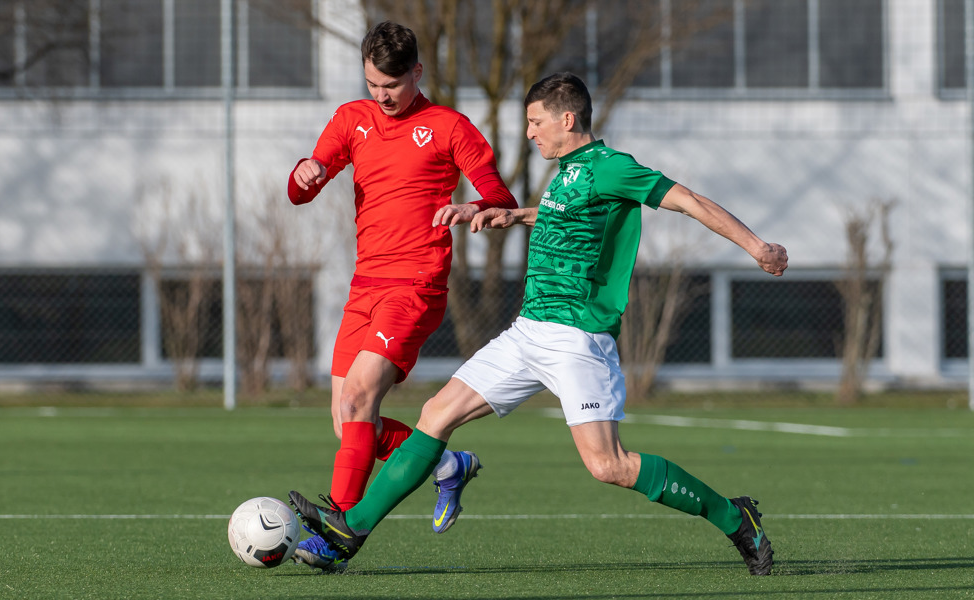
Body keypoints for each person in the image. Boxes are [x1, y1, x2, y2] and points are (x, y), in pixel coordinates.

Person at [289, 72, 788, 576]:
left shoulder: (612, 167)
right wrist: (510, 216)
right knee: (435, 414)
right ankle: (349, 530)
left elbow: (690, 201)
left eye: (535, 121)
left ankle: (733, 516)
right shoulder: (567, 171)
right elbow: (564, 215)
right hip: (529, 331)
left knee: (608, 465)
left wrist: (757, 248)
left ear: (567, 119)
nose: (529, 133)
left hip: (577, 339)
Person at [285, 21, 517, 571]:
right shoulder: (351, 119)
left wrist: (475, 206)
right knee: (348, 418)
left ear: (416, 72)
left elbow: (498, 194)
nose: (381, 96)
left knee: (361, 394)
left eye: (391, 85)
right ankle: (445, 465)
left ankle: (336, 530)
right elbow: (300, 190)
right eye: (372, 84)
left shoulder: (447, 126)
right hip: (364, 284)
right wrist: (306, 173)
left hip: (415, 285)